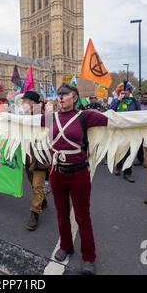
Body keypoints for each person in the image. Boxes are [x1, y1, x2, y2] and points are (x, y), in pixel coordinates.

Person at [42, 83, 109, 275]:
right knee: (61, 212)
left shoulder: (85, 116)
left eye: (65, 94)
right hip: (56, 172)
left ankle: (89, 257)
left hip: (79, 173)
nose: (61, 97)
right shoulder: (50, 118)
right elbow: (22, 123)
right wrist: (0, 117)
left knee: (82, 217)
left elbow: (117, 121)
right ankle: (65, 245)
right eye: (59, 94)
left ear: (75, 98)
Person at [21, 91, 49, 231]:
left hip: (41, 154)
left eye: (24, 101)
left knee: (37, 185)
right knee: (33, 183)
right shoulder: (24, 116)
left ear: (32, 102)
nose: (22, 104)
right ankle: (42, 200)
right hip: (28, 154)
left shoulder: (45, 116)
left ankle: (35, 213)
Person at [110, 82, 141, 183]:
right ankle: (118, 167)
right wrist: (118, 100)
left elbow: (139, 113)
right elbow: (110, 111)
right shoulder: (115, 100)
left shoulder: (134, 101)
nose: (125, 92)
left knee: (129, 152)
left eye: (127, 90)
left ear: (130, 91)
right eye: (122, 91)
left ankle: (127, 172)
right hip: (118, 130)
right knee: (119, 150)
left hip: (130, 130)